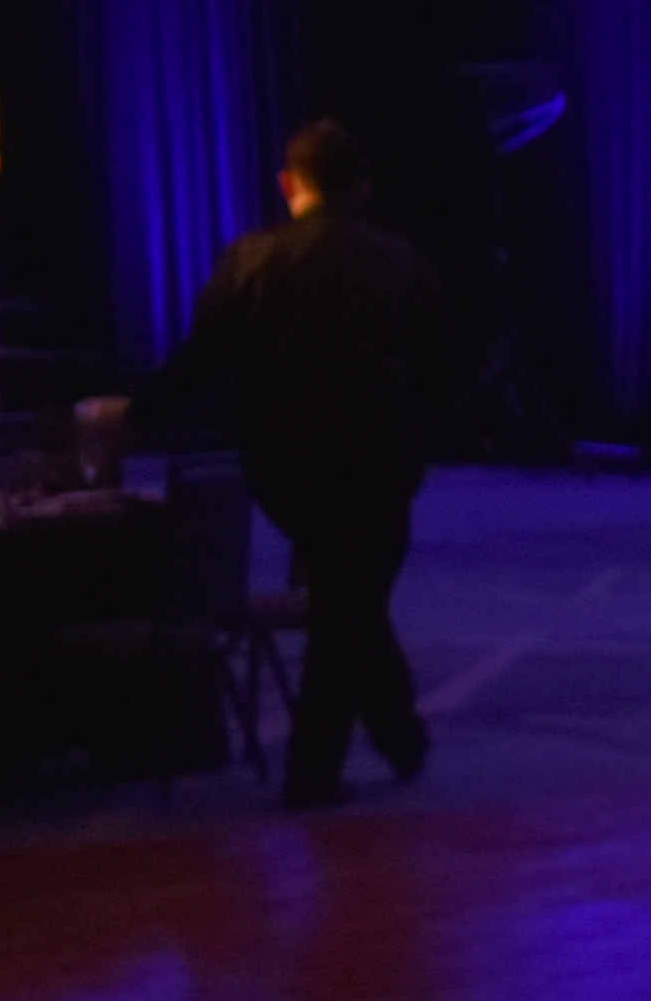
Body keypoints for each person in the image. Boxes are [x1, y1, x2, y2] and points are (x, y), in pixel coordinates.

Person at [145, 123, 448, 805]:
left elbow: (204, 358)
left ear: (289, 184)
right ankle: (321, 768)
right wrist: (416, 437)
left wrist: (134, 412)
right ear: (363, 188)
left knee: (348, 595)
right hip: (379, 463)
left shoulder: (253, 259)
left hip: (288, 469)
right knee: (353, 599)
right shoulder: (401, 261)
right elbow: (443, 366)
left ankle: (393, 740)